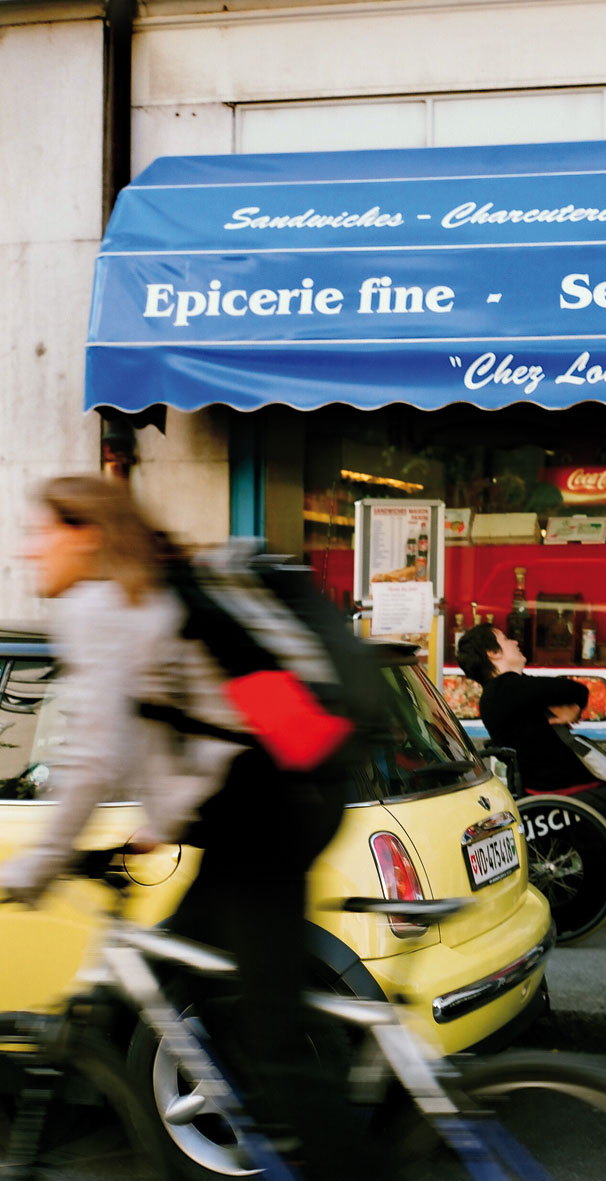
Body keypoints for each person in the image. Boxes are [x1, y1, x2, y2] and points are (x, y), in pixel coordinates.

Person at [0, 475, 362, 1178]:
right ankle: (269, 1123)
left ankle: (335, 1156)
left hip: (268, 814)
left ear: (90, 534)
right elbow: (201, 724)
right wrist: (161, 821)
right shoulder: (152, 590)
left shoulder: (104, 606)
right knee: (178, 968)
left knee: (271, 1029)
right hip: (280, 800)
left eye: (43, 530)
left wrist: (34, 866)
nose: (29, 547)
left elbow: (93, 753)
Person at [456, 622, 606, 922]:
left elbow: (560, 694)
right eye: (506, 639)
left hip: (561, 789)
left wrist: (564, 708)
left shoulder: (500, 695)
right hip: (573, 792)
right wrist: (571, 707)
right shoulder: (509, 687)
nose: (515, 642)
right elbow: (574, 688)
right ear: (493, 653)